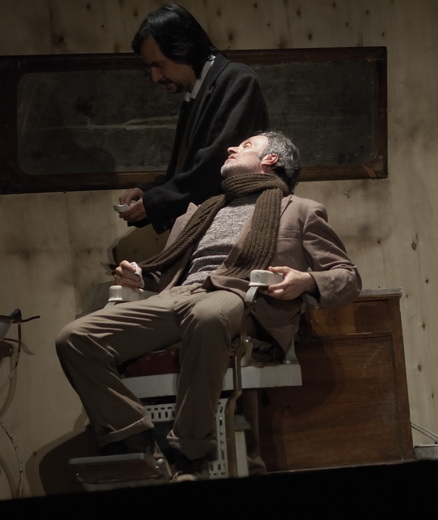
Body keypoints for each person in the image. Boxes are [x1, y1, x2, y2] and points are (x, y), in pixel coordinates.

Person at [57, 131, 361, 481]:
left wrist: (306, 281)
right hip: (179, 295)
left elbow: (348, 277)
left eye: (246, 145)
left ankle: (190, 455)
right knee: (76, 338)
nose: (232, 148)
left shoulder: (301, 210)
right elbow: (174, 272)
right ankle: (133, 442)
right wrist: (141, 279)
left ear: (271, 160)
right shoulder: (198, 213)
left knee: (208, 314)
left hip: (242, 295)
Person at [118, 3, 270, 233]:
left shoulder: (237, 80)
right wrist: (149, 192)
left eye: (158, 64)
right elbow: (189, 169)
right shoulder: (195, 94)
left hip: (233, 229)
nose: (155, 77)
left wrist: (157, 201)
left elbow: (217, 165)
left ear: (183, 49)